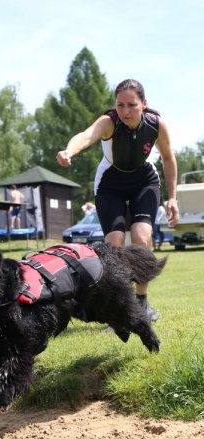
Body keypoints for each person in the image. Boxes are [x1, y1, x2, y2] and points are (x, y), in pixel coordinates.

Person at [57, 79, 179, 322]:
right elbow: (85, 136)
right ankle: (121, 305)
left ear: (144, 104)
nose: (125, 111)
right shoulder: (109, 122)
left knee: (142, 238)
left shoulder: (156, 125)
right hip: (110, 184)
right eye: (120, 105)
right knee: (115, 243)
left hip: (144, 181)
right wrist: (69, 151)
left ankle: (142, 301)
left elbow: (167, 158)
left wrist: (173, 198)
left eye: (132, 105)